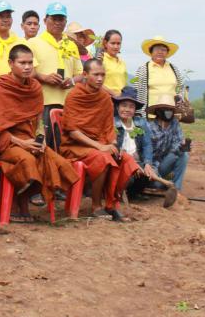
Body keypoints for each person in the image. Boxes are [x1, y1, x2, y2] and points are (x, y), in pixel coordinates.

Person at [0, 45, 78, 222]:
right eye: (22, 63)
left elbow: (38, 120)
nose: (27, 67)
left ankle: (21, 202)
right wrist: (21, 143)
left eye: (30, 63)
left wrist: (40, 140)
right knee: (28, 160)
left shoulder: (34, 88)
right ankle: (16, 206)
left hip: (28, 139)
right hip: (2, 142)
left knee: (58, 162)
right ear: (11, 63)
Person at [59, 59, 139, 221]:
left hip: (99, 144)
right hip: (75, 146)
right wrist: (99, 146)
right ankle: (96, 206)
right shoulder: (74, 95)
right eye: (96, 74)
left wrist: (113, 144)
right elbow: (73, 131)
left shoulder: (104, 98)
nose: (100, 78)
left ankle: (111, 203)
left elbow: (109, 128)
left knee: (126, 159)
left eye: (103, 75)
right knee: (102, 158)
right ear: (85, 74)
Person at [26, 2, 84, 145]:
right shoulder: (33, 42)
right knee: (44, 143)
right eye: (54, 19)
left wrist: (71, 81)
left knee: (64, 145)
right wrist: (44, 77)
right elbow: (27, 70)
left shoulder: (71, 45)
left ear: (65, 21)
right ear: (45, 20)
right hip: (42, 102)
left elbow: (81, 73)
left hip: (67, 103)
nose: (58, 22)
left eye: (61, 19)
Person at [113, 87, 178, 206]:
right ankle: (118, 193)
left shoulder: (140, 123)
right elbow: (115, 149)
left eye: (131, 107)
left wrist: (147, 164)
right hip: (121, 162)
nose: (127, 109)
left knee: (148, 176)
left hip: (139, 161)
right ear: (118, 107)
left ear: (135, 109)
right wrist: (131, 165)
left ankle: (132, 194)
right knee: (130, 178)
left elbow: (147, 145)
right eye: (124, 105)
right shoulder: (112, 123)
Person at [135, 35, 185, 119]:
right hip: (150, 115)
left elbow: (181, 87)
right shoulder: (143, 69)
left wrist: (180, 98)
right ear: (151, 52)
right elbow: (137, 92)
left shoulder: (173, 68)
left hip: (172, 114)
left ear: (167, 52)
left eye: (163, 50)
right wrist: (138, 114)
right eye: (157, 49)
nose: (160, 52)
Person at [147, 94, 190, 191]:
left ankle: (176, 189)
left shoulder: (174, 123)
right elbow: (146, 153)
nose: (168, 112)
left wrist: (182, 146)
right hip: (152, 166)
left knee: (184, 155)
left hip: (165, 162)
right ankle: (163, 181)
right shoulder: (149, 127)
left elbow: (177, 144)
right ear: (158, 111)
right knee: (157, 185)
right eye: (165, 109)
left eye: (170, 109)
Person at [95, 29, 128, 96]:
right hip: (105, 98)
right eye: (113, 43)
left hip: (121, 99)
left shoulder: (122, 63)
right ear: (105, 43)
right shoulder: (100, 59)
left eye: (118, 43)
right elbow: (95, 82)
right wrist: (115, 94)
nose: (116, 46)